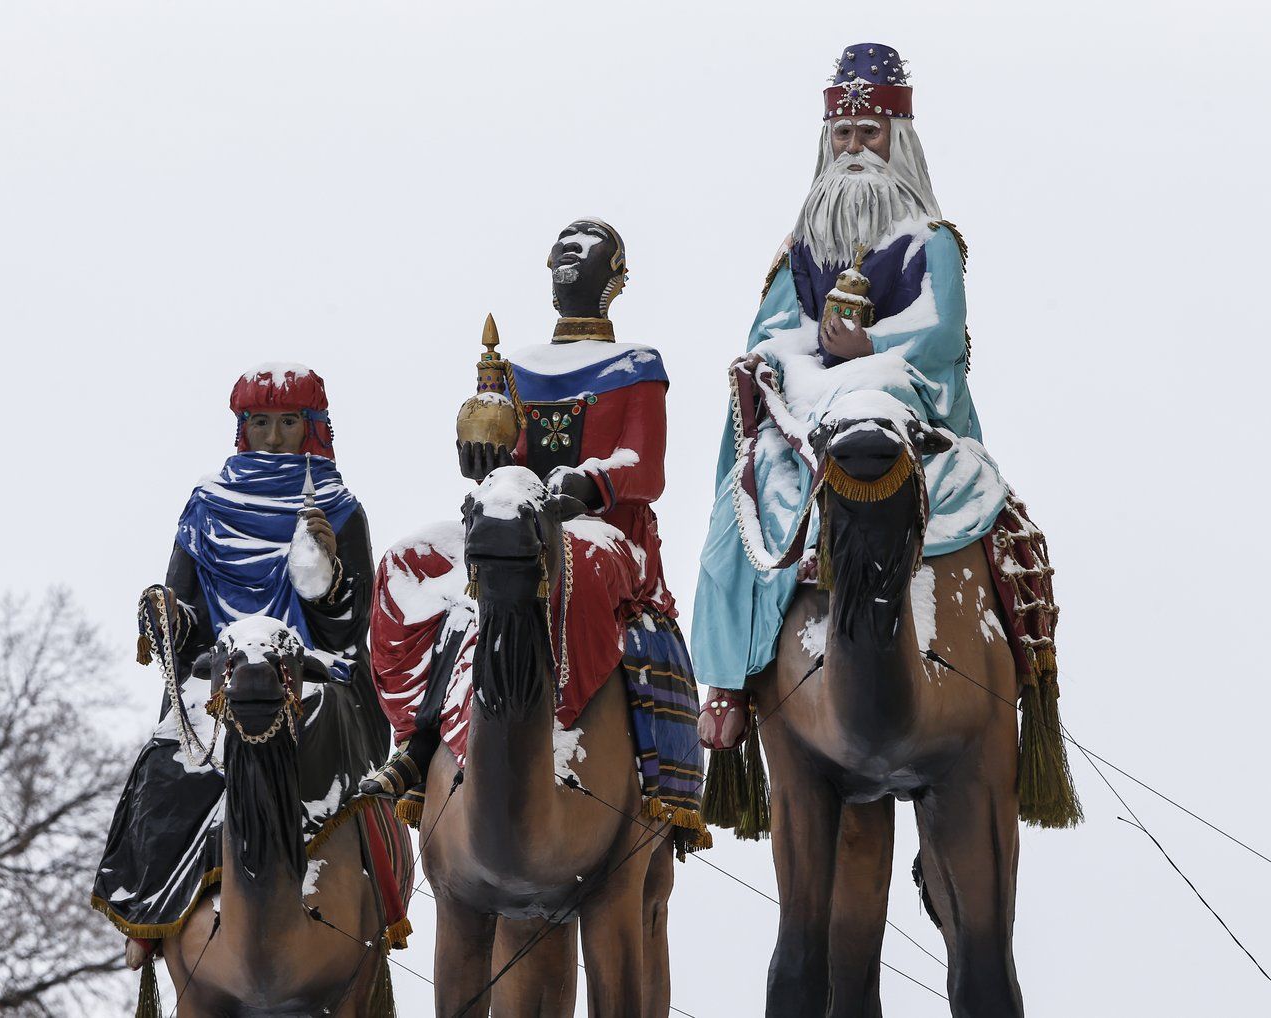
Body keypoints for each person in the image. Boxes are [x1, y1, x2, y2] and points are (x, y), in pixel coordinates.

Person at [693, 44, 1037, 746]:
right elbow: (772, 332)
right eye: (843, 135)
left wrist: (868, 352)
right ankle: (728, 680)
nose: (854, 149)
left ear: (898, 138)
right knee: (738, 508)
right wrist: (781, 360)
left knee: (995, 513)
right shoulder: (803, 248)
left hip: (905, 402)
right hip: (811, 408)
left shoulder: (931, 240)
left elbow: (940, 337)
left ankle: (1019, 662)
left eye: (869, 133)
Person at [363, 220, 705, 843]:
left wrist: (590, 482)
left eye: (585, 254)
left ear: (617, 278)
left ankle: (564, 720)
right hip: (517, 517)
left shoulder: (637, 366)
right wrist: (483, 460)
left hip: (603, 530)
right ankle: (418, 730)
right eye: (560, 255)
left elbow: (645, 466)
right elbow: (507, 459)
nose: (567, 261)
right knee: (407, 562)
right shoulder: (516, 369)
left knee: (569, 560)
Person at [92, 363, 384, 969]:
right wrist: (168, 617)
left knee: (326, 725)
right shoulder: (206, 506)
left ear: (312, 428)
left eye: (286, 423)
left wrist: (327, 582)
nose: (273, 438)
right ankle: (150, 907)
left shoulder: (339, 510)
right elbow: (190, 617)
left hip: (310, 674)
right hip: (220, 676)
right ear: (240, 429)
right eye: (259, 423)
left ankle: (371, 884)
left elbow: (354, 631)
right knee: (171, 752)